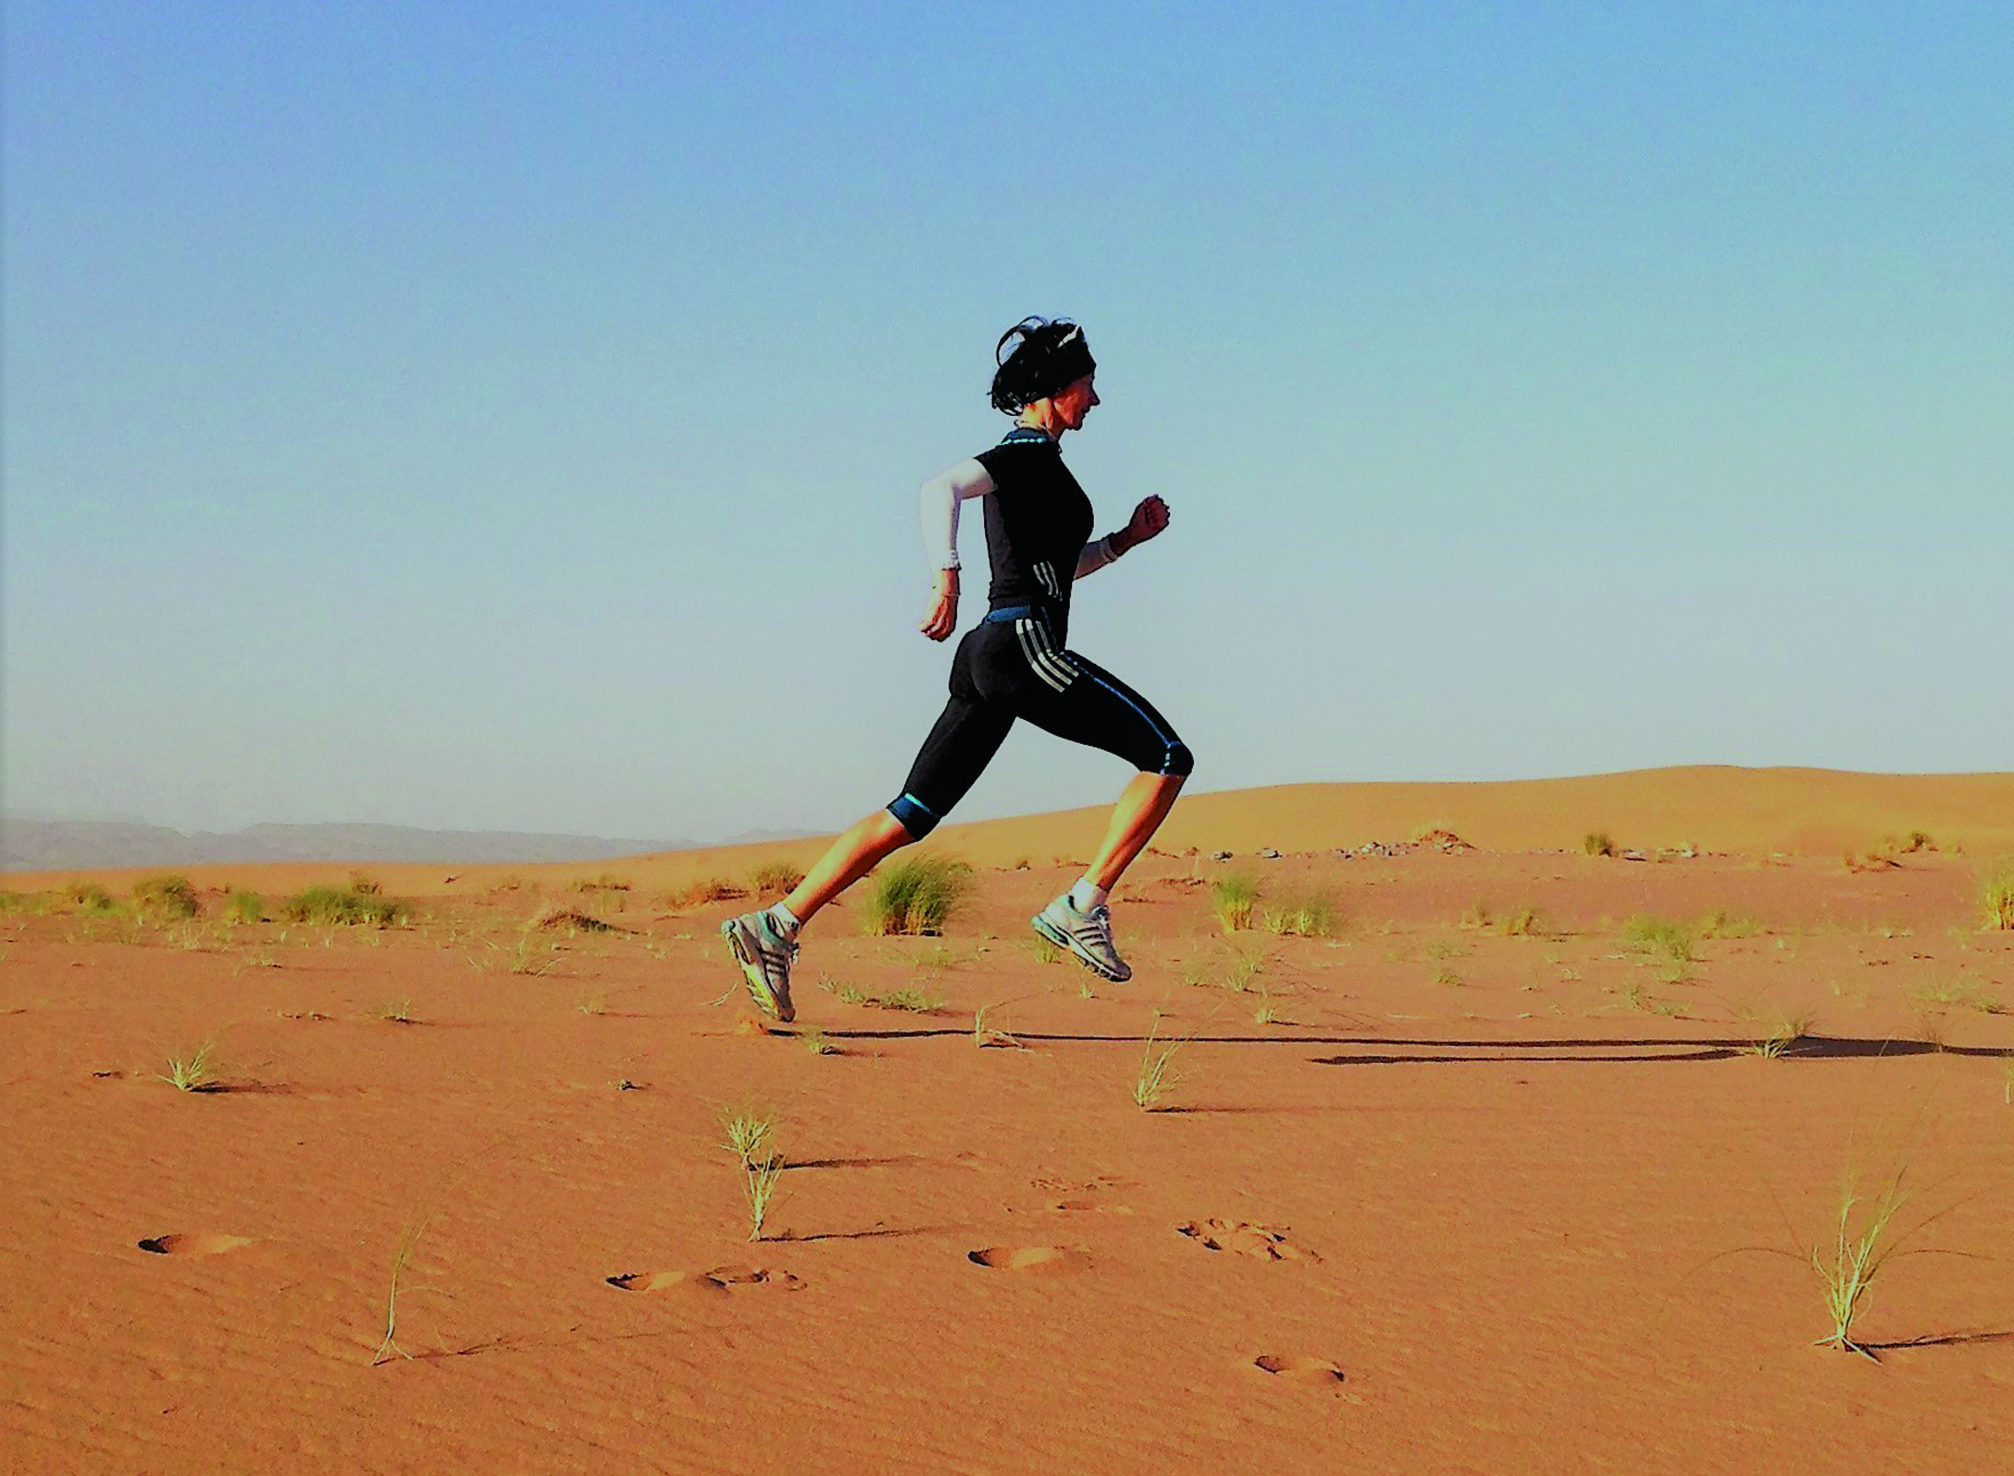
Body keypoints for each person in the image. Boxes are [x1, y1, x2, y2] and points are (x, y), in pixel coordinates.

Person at [721, 317, 1192, 1022]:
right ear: (1057, 389)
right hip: (1022, 646)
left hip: (991, 655)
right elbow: (938, 487)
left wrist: (1125, 540)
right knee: (1166, 755)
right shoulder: (1025, 456)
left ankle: (777, 926)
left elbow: (1061, 569)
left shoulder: (1046, 469)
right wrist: (946, 577)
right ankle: (1082, 905)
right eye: (1089, 387)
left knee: (911, 813)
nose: (1096, 401)